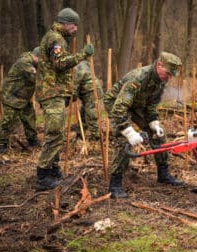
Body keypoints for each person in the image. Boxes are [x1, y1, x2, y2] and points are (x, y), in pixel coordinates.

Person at [104, 51, 184, 198]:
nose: (169, 77)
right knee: (123, 140)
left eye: (172, 74)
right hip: (117, 105)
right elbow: (119, 108)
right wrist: (128, 131)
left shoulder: (160, 81)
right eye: (168, 72)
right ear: (159, 65)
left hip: (137, 105)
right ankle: (115, 185)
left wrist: (154, 123)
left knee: (159, 135)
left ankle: (163, 174)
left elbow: (151, 105)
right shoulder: (138, 78)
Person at [35, 7, 94, 191]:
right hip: (51, 93)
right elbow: (60, 64)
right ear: (65, 23)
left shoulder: (59, 38)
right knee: (54, 133)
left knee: (58, 133)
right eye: (73, 25)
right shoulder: (55, 39)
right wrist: (82, 55)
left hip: (56, 92)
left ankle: (53, 169)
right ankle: (43, 175)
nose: (76, 29)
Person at [0, 47, 41, 154]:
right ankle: (1, 145)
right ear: (37, 57)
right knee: (8, 120)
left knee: (30, 118)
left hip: (23, 97)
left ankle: (33, 140)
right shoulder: (25, 62)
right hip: (11, 96)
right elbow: (36, 78)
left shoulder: (34, 63)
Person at [73, 60, 103, 140]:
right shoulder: (83, 63)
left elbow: (74, 86)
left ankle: (97, 138)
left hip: (91, 92)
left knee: (92, 116)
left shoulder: (76, 69)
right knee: (83, 114)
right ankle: (80, 135)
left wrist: (72, 97)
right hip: (89, 92)